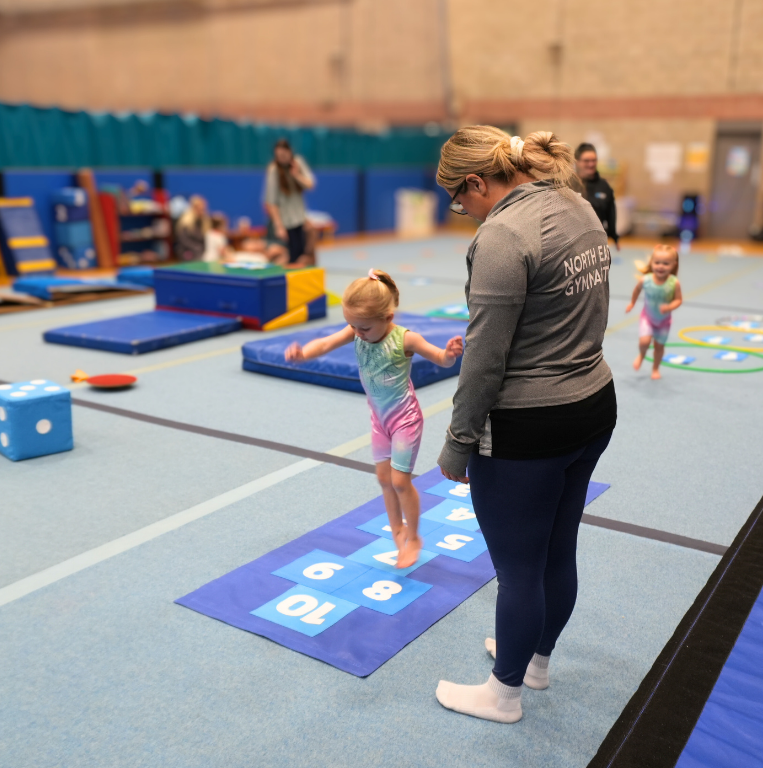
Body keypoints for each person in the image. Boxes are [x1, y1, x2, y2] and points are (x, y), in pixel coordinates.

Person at [433, 127, 615, 724]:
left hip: (529, 428)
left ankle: (503, 693)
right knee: (558, 551)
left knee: (518, 571)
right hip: (593, 403)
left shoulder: (503, 235)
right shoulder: (578, 204)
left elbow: (485, 359)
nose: (464, 212)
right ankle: (535, 662)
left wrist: (458, 443)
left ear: (477, 182)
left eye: (460, 201)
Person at [285, 270, 463, 567]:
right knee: (383, 479)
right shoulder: (357, 330)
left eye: (364, 328)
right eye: (352, 326)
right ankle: (397, 532)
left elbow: (440, 359)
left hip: (404, 420)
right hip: (379, 420)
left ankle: (414, 538)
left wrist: (449, 354)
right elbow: (325, 344)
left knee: (400, 481)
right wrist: (303, 353)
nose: (357, 333)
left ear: (388, 317)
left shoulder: (405, 339)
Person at [624, 244, 683, 380]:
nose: (660, 266)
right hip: (648, 318)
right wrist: (632, 303)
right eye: (657, 262)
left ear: (674, 265)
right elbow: (636, 290)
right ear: (651, 262)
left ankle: (655, 368)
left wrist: (669, 307)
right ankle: (642, 355)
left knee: (659, 346)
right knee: (644, 342)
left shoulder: (674, 282)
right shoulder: (646, 280)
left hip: (664, 322)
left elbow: (678, 300)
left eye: (666, 263)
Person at [263, 138, 315, 266]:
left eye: (284, 155)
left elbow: (310, 184)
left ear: (290, 152)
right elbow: (271, 202)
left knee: (304, 254)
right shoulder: (274, 170)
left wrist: (296, 175)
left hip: (300, 219)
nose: (282, 158)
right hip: (285, 222)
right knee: (291, 256)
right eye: (279, 156)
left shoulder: (298, 163)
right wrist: (279, 226)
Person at [575, 143, 618, 248]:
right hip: (574, 242)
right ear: (577, 162)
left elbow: (611, 213)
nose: (591, 164)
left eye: (594, 160)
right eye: (586, 161)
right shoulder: (568, 185)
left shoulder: (604, 186)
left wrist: (614, 236)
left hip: (597, 243)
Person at [174, 195, 210, 261]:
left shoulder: (205, 222)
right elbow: (183, 240)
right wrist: (196, 247)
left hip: (200, 250)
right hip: (186, 251)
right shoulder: (185, 221)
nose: (201, 211)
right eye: (199, 209)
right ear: (193, 208)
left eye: (203, 209)